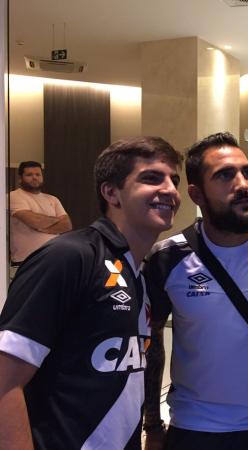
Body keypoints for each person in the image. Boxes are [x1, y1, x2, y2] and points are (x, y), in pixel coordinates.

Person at [0, 137, 182, 450]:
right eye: (152, 178)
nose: (170, 190)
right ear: (111, 193)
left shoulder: (137, 273)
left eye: (173, 180)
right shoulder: (70, 257)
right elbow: (4, 381)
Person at [143, 132, 248, 450]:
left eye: (247, 172)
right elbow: (150, 345)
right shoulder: (167, 258)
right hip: (197, 430)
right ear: (197, 194)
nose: (243, 184)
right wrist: (152, 424)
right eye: (224, 175)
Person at [9, 161, 72, 266]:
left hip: (54, 256)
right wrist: (56, 220)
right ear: (20, 178)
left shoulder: (52, 199)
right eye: (29, 175)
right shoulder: (13, 196)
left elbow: (67, 225)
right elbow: (35, 221)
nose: (34, 177)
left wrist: (43, 227)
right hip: (27, 260)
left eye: (38, 174)